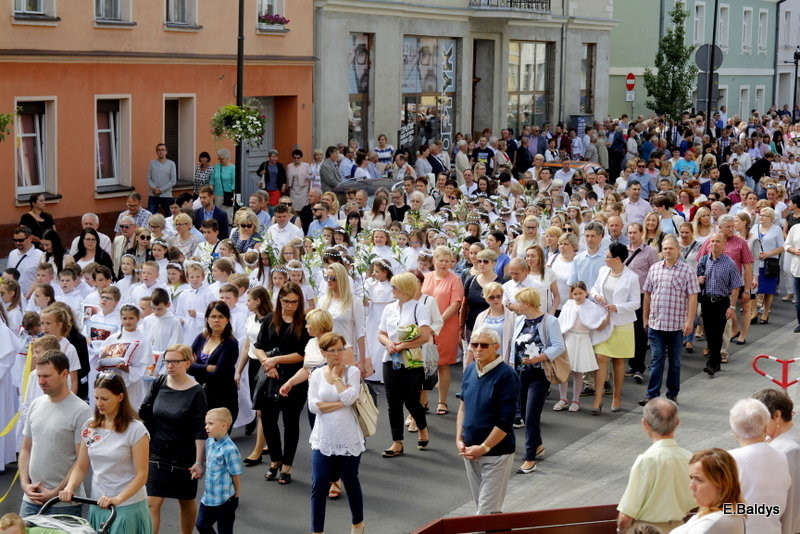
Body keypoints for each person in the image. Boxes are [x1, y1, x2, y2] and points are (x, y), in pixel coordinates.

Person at [59, 373, 152, 534]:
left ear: (120, 397)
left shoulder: (136, 430)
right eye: (96, 398)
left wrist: (117, 499)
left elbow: (141, 476)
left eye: (105, 399)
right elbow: (81, 466)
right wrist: (70, 487)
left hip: (127, 506)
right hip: (98, 503)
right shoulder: (90, 426)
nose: (99, 403)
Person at [141, 344, 208, 534]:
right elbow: (145, 412)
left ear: (187, 363)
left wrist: (199, 462)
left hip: (184, 455)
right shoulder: (160, 382)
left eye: (175, 361)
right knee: (152, 502)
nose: (169, 365)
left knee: (185, 500)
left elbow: (199, 430)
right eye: (167, 361)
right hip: (157, 451)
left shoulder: (197, 392)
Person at [18, 350, 92, 517]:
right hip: (30, 500)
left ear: (64, 374)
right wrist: (24, 484)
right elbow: (25, 449)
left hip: (64, 503)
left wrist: (55, 493)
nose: (41, 381)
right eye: (38, 376)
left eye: (47, 376)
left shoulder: (81, 411)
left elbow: (81, 461)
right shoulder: (36, 404)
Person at [456, 328, 519, 515]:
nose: (478, 349)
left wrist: (484, 448)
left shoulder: (507, 375)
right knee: (486, 512)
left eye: (483, 345)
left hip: (497, 454)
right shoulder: (469, 370)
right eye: (474, 345)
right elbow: (463, 407)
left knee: (485, 513)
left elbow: (505, 422)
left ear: (496, 347)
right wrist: (459, 438)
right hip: (470, 451)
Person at [307, 332, 365, 534]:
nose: (338, 354)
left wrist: (337, 378)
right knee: (319, 484)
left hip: (347, 437)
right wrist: (340, 403)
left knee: (350, 481)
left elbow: (350, 398)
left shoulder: (352, 372)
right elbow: (313, 406)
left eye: (341, 349)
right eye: (332, 350)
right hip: (323, 438)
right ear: (323, 352)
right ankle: (317, 531)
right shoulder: (316, 374)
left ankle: (357, 524)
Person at [254, 283, 311, 484]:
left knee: (290, 422)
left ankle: (287, 465)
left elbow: (303, 354)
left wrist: (275, 360)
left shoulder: (304, 322)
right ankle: (275, 459)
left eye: (294, 302)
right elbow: (258, 347)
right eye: (286, 301)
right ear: (279, 300)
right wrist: (267, 364)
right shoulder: (270, 319)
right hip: (270, 377)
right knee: (268, 420)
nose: (290, 305)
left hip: (295, 378)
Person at [616, 398, 695, 534]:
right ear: (677, 423)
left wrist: (620, 530)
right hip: (678, 527)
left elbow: (627, 515)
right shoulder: (690, 458)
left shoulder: (647, 460)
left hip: (645, 529)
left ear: (645, 424)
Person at [378, 272, 433, 458]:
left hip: (412, 362)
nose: (392, 289)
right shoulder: (389, 308)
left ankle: (422, 426)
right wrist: (388, 343)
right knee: (393, 403)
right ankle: (397, 442)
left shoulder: (419, 308)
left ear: (406, 288)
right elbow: (381, 333)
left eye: (395, 286)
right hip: (390, 360)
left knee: (411, 401)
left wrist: (401, 346)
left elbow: (425, 336)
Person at [640, 235, 699, 406]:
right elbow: (647, 294)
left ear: (678, 250)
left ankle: (672, 394)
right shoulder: (654, 269)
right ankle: (652, 395)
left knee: (674, 362)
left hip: (676, 325)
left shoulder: (687, 270)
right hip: (656, 324)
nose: (667, 251)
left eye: (671, 248)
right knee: (656, 360)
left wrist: (689, 321)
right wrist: (645, 317)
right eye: (665, 248)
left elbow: (693, 296)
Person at [512, 287, 564, 474]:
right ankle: (538, 445)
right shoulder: (519, 320)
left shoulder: (550, 321)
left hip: (540, 374)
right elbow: (513, 346)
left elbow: (559, 346)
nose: (516, 305)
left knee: (532, 414)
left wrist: (538, 358)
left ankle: (529, 459)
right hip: (521, 373)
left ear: (527, 304)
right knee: (525, 414)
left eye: (518, 302)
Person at [589, 243, 640, 413]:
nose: (605, 259)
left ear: (617, 259)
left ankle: (616, 396)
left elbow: (636, 303)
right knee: (600, 357)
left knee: (618, 361)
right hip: (603, 321)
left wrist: (617, 307)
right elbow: (594, 289)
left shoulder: (632, 277)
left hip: (622, 324)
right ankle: (598, 399)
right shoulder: (603, 271)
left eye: (607, 256)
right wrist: (597, 296)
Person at [728, 398, 790, 534]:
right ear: (765, 427)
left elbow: (722, 507)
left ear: (735, 432)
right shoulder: (781, 456)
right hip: (773, 529)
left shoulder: (729, 459)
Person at [421, 247, 464, 417]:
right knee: (423, 364)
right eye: (441, 260)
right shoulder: (425, 277)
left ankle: (442, 401)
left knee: (442, 364)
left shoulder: (455, 280)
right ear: (434, 261)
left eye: (448, 261)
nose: (444, 264)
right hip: (424, 327)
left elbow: (456, 304)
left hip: (446, 328)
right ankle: (423, 401)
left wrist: (438, 322)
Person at [752, 388, 800, 534]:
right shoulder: (783, 440)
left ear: (777, 415)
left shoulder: (789, 451)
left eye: (760, 419)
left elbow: (792, 502)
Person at [556, 282, 608, 412]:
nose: (578, 296)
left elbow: (600, 318)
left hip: (583, 339)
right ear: (571, 294)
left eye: (580, 293)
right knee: (564, 370)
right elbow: (562, 322)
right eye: (575, 294)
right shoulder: (568, 305)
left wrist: (607, 315)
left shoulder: (592, 306)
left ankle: (575, 400)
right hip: (569, 339)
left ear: (586, 292)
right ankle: (563, 398)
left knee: (578, 371)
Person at [697, 233, 743, 376]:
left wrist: (732, 307)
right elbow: (696, 279)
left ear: (724, 244)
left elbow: (736, 286)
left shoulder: (729, 263)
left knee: (718, 333)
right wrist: (699, 280)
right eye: (712, 241)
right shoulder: (704, 260)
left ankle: (712, 363)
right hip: (706, 301)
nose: (714, 244)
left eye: (718, 241)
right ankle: (715, 361)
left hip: (721, 302)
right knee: (709, 333)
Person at [669, 448, 746, 534]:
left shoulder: (711, 523)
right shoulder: (727, 512)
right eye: (691, 478)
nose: (691, 486)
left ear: (722, 483)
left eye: (699, 479)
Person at [189, 301, 239, 429]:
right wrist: (206, 368)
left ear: (227, 320)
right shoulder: (201, 338)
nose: (217, 320)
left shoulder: (230, 343)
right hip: (201, 397)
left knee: (218, 438)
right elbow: (186, 365)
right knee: (199, 437)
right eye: (213, 316)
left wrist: (195, 366)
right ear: (207, 319)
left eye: (221, 316)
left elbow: (219, 373)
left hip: (223, 398)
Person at [196, 407, 242, 534]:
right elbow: (208, 462)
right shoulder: (209, 442)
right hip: (208, 497)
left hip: (225, 500)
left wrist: (236, 497)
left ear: (224, 425)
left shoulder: (230, 450)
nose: (206, 427)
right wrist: (200, 467)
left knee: (224, 530)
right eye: (206, 423)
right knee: (201, 524)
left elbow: (235, 476)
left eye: (210, 423)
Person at [752, 207, 784, 323]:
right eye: (760, 215)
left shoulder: (777, 229)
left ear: (771, 218)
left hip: (769, 264)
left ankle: (765, 312)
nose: (761, 217)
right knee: (754, 289)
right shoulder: (755, 227)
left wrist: (767, 254)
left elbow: (781, 247)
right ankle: (754, 312)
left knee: (768, 290)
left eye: (764, 215)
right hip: (755, 264)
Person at [7, 226, 44, 297]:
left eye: (21, 240)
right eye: (15, 240)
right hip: (13, 297)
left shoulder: (40, 255)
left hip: (31, 298)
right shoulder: (12, 254)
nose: (17, 243)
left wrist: (27, 297)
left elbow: (42, 280)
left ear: (30, 238)